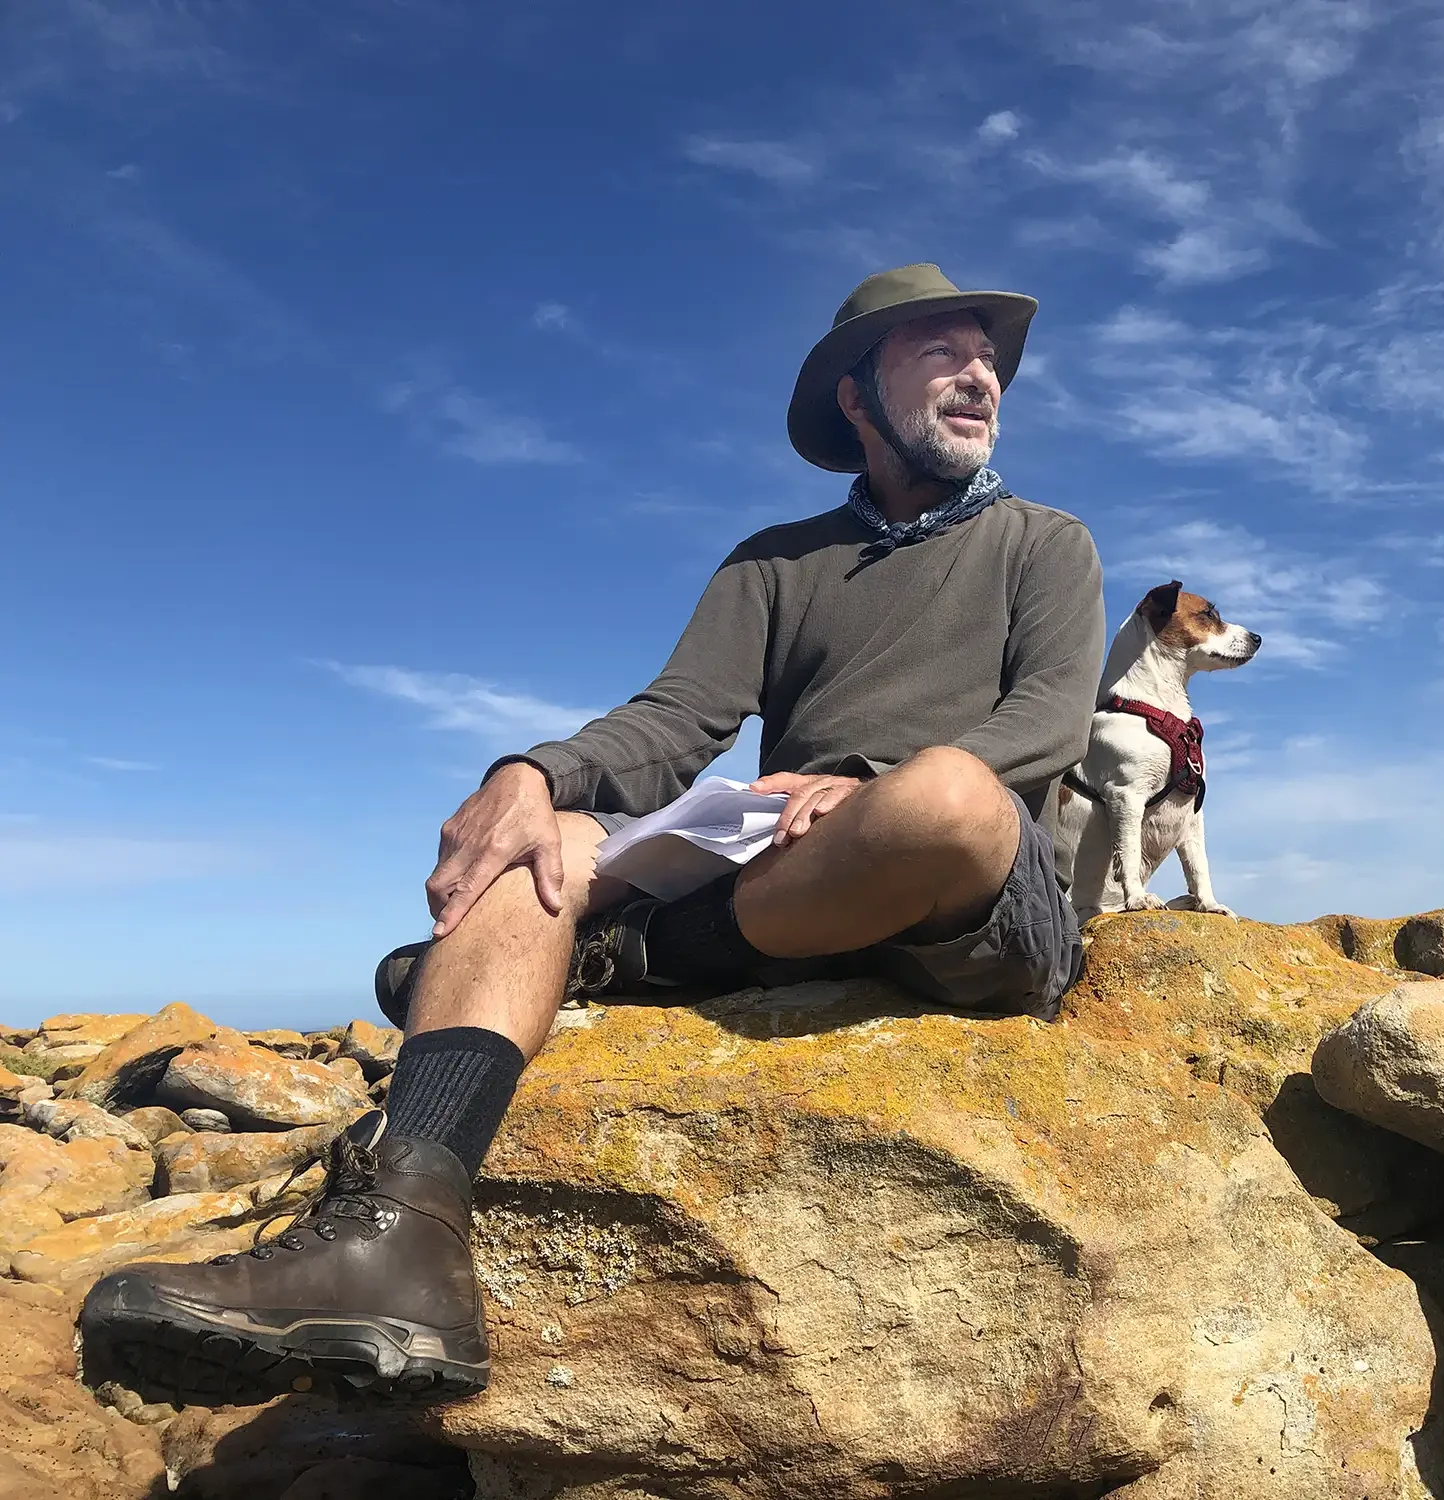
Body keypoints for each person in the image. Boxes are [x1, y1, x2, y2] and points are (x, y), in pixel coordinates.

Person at [78, 263, 1105, 1408]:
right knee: (544, 845)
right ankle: (397, 1237)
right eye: (941, 351)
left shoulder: (1045, 542)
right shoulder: (774, 558)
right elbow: (675, 721)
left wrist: (867, 783)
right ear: (856, 399)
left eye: (988, 358)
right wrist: (531, 775)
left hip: (961, 894)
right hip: (783, 884)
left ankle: (624, 958)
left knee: (946, 796)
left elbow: (1049, 723)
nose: (980, 375)